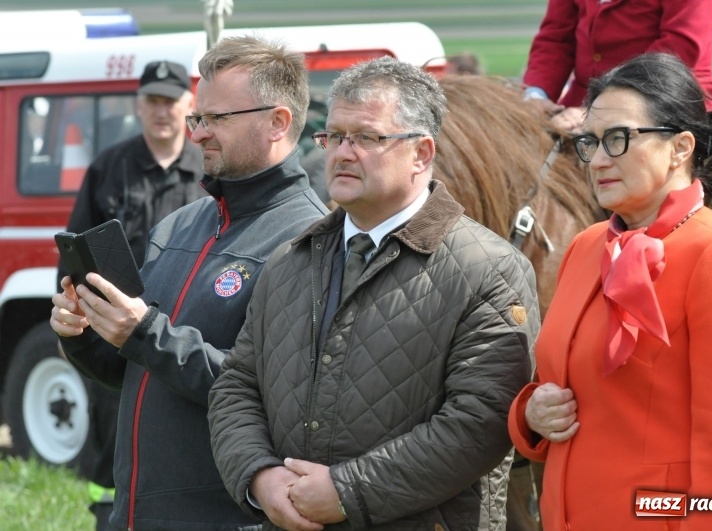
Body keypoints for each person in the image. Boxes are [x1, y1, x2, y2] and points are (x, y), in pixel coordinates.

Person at [207, 56, 540, 531]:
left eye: (366, 137)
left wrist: (346, 492)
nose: (342, 152)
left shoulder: (488, 269)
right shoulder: (290, 261)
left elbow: (481, 421)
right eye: (334, 136)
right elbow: (237, 385)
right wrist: (259, 477)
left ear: (422, 153)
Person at [50, 35, 328, 530]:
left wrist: (144, 332)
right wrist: (87, 333)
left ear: (278, 123)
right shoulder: (179, 225)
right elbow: (135, 369)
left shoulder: (308, 239)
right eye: (197, 119)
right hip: (133, 515)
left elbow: (274, 395)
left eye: (217, 119)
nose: (197, 134)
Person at [508, 52, 712, 530]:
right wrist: (530, 414)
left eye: (618, 139)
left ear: (680, 148)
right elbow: (560, 384)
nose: (597, 160)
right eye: (589, 143)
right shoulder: (584, 247)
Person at [55, 59, 204, 531]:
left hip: (185, 332)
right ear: (139, 107)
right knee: (112, 436)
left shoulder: (207, 169)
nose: (162, 112)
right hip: (112, 338)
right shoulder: (109, 168)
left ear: (189, 105)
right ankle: (108, 514)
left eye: (171, 101)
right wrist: (74, 314)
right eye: (153, 101)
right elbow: (75, 251)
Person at [522, 0, 712, 131]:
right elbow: (556, 37)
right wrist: (537, 95)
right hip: (580, 103)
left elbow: (679, 46)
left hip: (665, 98)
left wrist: (601, 110)